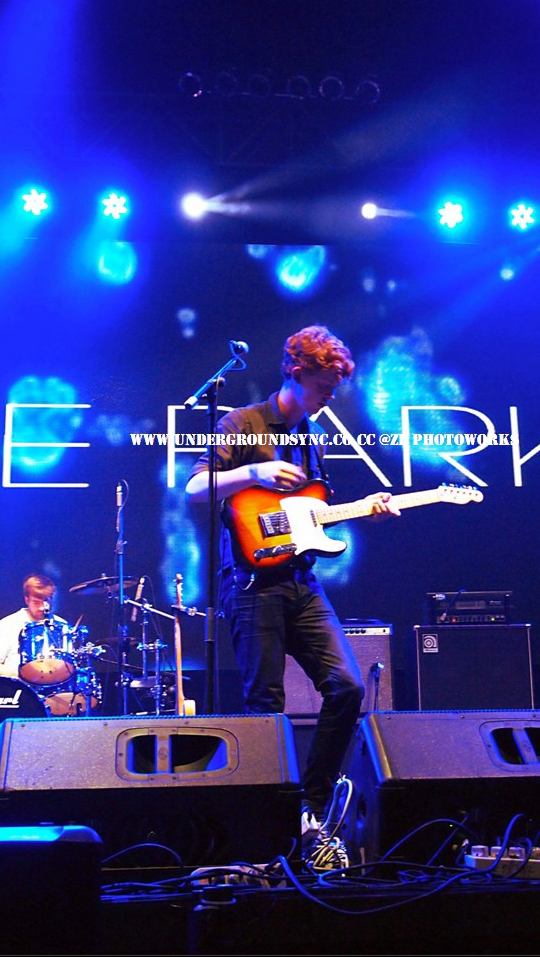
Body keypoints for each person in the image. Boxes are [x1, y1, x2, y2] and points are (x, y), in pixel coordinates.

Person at [186, 325, 399, 869]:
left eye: (334, 389)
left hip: (302, 583)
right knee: (265, 706)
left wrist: (366, 509)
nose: (330, 397)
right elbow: (195, 488)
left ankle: (310, 807)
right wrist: (253, 471)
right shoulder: (243, 423)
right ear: (296, 372)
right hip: (251, 584)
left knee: (347, 687)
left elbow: (309, 516)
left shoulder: (312, 437)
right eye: (324, 386)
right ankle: (267, 832)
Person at [0, 573, 64, 678]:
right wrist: (24, 677)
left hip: (54, 685)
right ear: (27, 599)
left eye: (47, 602)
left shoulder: (62, 626)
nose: (42, 607)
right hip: (18, 686)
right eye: (36, 602)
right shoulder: (7, 624)